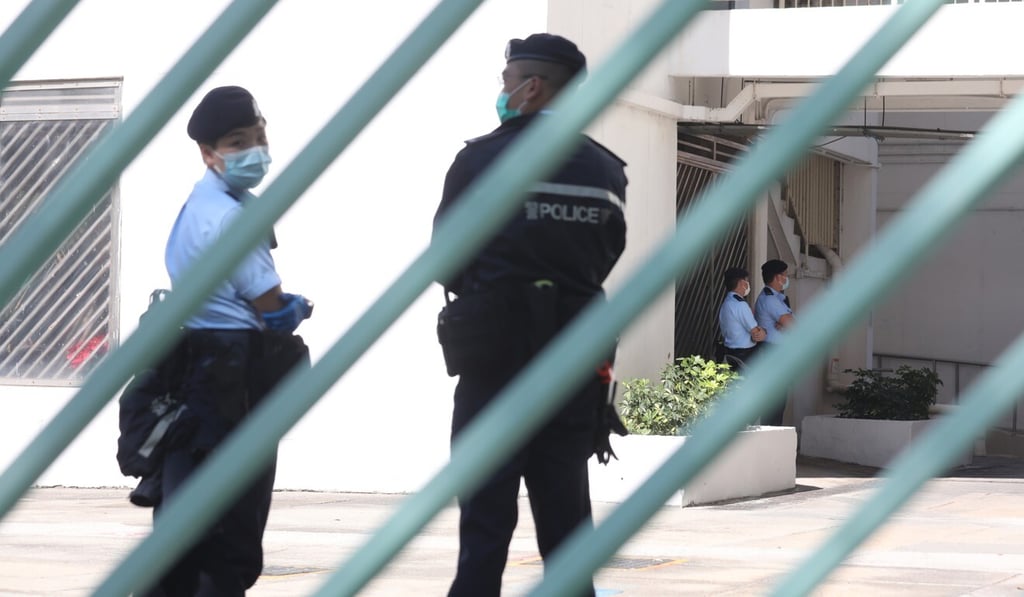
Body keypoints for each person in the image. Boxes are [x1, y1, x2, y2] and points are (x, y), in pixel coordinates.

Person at [433, 33, 627, 597]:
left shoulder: (480, 160)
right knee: (566, 517)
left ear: (532, 86)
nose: (503, 90)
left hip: (495, 360)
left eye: (506, 81)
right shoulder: (605, 171)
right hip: (572, 362)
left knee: (486, 524)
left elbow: (447, 262)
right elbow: (605, 255)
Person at [150, 85, 313, 596]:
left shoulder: (200, 204)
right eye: (238, 142)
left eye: (259, 136)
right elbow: (274, 308)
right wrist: (298, 308)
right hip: (231, 381)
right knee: (231, 542)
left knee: (182, 529)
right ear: (208, 152)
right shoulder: (231, 219)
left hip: (192, 375)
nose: (255, 150)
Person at [754, 259, 794, 426]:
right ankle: (770, 440)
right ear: (778, 277)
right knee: (774, 402)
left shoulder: (779, 299)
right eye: (785, 275)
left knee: (779, 402)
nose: (786, 278)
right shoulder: (770, 300)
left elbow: (789, 322)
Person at [717, 267, 766, 369]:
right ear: (741, 283)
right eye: (746, 282)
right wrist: (764, 331)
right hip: (745, 356)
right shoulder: (740, 305)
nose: (748, 285)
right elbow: (756, 334)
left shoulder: (727, 303)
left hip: (730, 352)